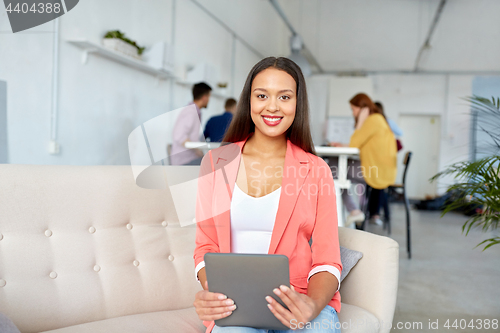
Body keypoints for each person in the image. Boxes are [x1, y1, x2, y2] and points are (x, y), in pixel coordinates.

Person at [193, 57, 342, 333]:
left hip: (299, 299)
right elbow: (205, 246)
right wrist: (210, 291)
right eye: (262, 95)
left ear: (297, 104)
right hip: (234, 304)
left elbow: (327, 258)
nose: (272, 106)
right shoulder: (215, 163)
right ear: (248, 100)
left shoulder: (316, 170)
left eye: (284, 97)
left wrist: (312, 305)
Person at [330, 94, 397, 226]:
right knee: (335, 169)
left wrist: (360, 121)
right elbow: (361, 143)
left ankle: (353, 211)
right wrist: (343, 145)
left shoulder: (373, 120)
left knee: (332, 168)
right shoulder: (378, 119)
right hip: (379, 169)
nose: (353, 113)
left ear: (363, 108)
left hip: (375, 171)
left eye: (354, 109)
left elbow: (354, 143)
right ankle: (353, 211)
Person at [170, 82, 212, 165]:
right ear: (204, 98)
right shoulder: (191, 112)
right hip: (184, 160)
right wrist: (197, 150)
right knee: (212, 166)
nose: (209, 100)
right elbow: (179, 136)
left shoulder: (194, 111)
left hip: (190, 158)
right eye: (209, 97)